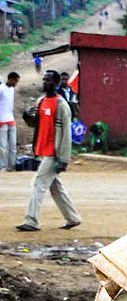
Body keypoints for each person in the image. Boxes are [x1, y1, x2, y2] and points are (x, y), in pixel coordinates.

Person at [16, 70, 81, 232]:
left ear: (57, 83)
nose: (45, 83)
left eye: (49, 80)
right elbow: (35, 125)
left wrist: (64, 159)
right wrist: (27, 116)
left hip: (54, 153)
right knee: (55, 187)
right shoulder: (41, 101)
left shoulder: (61, 105)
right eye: (44, 80)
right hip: (42, 151)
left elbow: (66, 134)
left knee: (39, 184)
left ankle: (31, 221)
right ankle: (73, 218)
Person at [0, 71, 20, 172]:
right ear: (10, 79)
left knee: (12, 146)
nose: (16, 83)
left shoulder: (12, 89)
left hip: (11, 120)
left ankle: (11, 167)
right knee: (3, 146)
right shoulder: (1, 89)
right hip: (2, 121)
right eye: (15, 81)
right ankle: (3, 167)